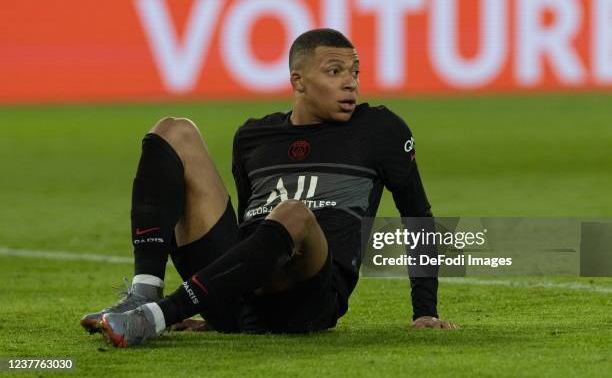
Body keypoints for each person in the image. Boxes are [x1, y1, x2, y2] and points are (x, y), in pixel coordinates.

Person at [80, 28, 457, 347]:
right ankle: (145, 294)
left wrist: (425, 310)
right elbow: (248, 228)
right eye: (335, 70)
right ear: (298, 81)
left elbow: (417, 216)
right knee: (172, 130)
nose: (350, 82)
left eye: (355, 71)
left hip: (308, 300)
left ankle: (159, 316)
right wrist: (217, 310)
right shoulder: (253, 136)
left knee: (293, 211)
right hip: (239, 292)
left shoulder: (380, 130)